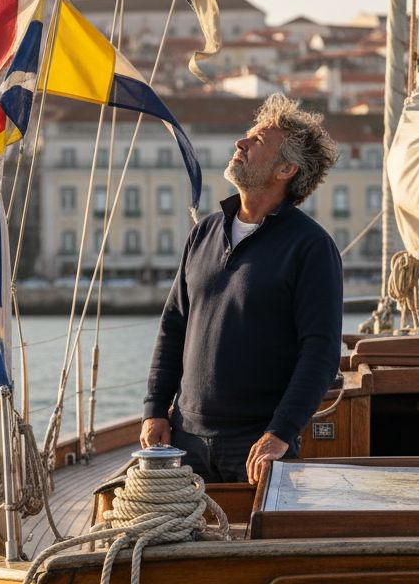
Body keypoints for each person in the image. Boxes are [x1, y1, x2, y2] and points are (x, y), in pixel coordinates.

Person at [140, 94, 343, 485]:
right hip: (184, 437)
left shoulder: (311, 247)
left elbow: (319, 353)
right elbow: (173, 327)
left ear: (286, 168)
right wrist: (154, 410)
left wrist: (280, 433)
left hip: (256, 445)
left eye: (258, 141)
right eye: (247, 135)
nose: (241, 143)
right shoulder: (205, 232)